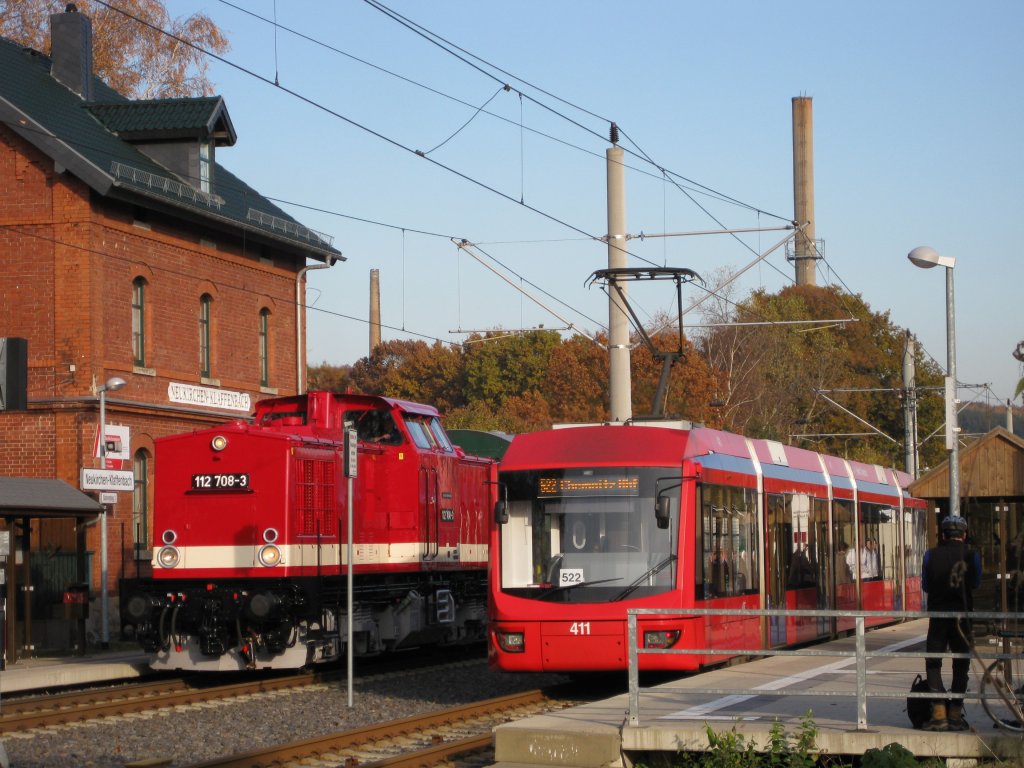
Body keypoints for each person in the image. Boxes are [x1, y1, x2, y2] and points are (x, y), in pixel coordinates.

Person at [921, 515, 981, 732]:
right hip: (962, 619)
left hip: (938, 617)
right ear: (964, 535)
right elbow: (976, 582)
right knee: (961, 665)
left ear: (943, 535)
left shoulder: (930, 555)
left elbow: (925, 585)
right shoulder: (972, 555)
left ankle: (939, 716)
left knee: (933, 663)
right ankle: (955, 716)